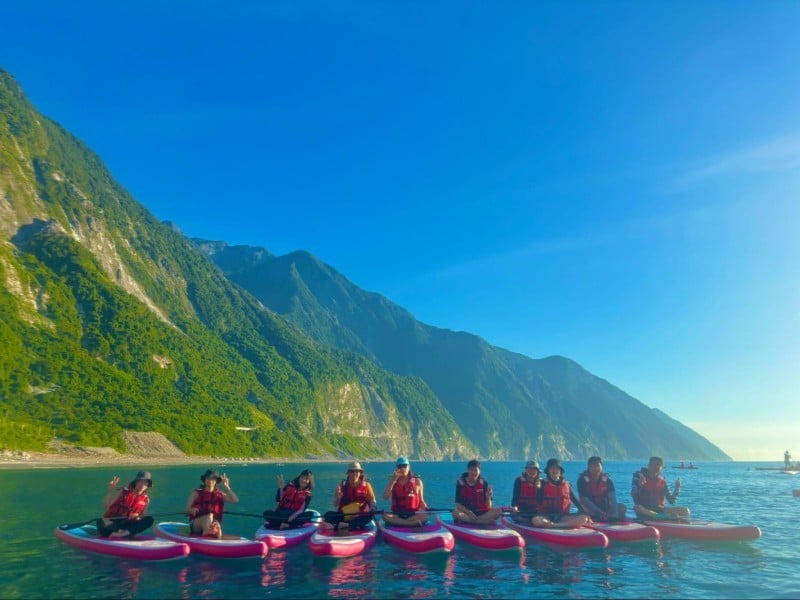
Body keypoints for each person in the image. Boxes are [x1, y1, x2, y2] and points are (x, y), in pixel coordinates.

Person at [531, 458, 588, 528]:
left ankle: (556, 525)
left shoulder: (567, 485)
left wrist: (585, 513)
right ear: (548, 471)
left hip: (563, 517)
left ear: (560, 471)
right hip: (547, 516)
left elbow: (575, 500)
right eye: (552, 468)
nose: (554, 470)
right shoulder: (542, 483)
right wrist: (538, 489)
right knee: (536, 520)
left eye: (556, 468)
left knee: (584, 518)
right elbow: (539, 500)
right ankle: (555, 524)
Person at [96, 471, 154, 538]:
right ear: (135, 482)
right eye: (140, 481)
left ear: (148, 485)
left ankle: (122, 533)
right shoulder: (122, 491)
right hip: (114, 522)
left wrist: (137, 516)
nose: (142, 484)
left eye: (145, 482)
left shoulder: (146, 499)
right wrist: (110, 491)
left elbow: (141, 517)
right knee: (100, 521)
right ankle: (121, 532)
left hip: (128, 525)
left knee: (149, 519)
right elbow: (105, 505)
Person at [185, 469, 239, 538]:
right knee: (209, 516)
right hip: (196, 524)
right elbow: (186, 510)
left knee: (217, 525)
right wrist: (191, 510)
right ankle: (207, 531)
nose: (210, 481)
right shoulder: (195, 493)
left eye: (213, 479)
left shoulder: (220, 495)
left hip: (212, 522)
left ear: (216, 481)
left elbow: (235, 500)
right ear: (204, 480)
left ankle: (213, 533)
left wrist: (227, 487)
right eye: (208, 478)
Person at [323, 462, 377, 531]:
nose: (354, 473)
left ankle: (345, 525)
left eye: (357, 471)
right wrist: (339, 497)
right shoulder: (341, 486)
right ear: (348, 473)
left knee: (369, 515)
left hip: (360, 516)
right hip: (345, 515)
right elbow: (335, 504)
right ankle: (351, 525)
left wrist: (373, 507)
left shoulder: (367, 485)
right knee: (328, 515)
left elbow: (372, 501)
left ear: (360, 473)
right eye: (352, 471)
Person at [452, 459, 504, 524]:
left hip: (481, 513)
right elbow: (458, 504)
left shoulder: (484, 483)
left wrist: (488, 498)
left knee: (498, 511)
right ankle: (480, 522)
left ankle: (475, 521)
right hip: (466, 513)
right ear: (467, 470)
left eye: (476, 470)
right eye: (471, 470)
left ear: (479, 471)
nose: (473, 472)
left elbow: (489, 507)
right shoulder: (460, 483)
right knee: (455, 512)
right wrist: (469, 512)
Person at [381, 456, 429, 526]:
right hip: (397, 514)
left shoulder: (417, 481)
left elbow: (421, 501)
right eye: (400, 466)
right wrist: (393, 480)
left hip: (412, 515)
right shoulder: (393, 482)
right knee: (385, 516)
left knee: (425, 517)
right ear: (396, 468)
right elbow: (385, 497)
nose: (402, 468)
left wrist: (426, 508)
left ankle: (401, 523)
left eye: (404, 466)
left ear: (409, 467)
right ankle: (411, 524)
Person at [577, 456, 627, 521]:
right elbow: (584, 500)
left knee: (622, 507)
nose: (595, 468)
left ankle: (608, 517)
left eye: (598, 465)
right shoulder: (582, 480)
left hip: (604, 509)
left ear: (601, 467)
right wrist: (600, 512)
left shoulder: (608, 481)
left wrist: (614, 517)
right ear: (588, 467)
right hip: (590, 509)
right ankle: (597, 518)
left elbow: (613, 499)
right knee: (584, 508)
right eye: (592, 466)